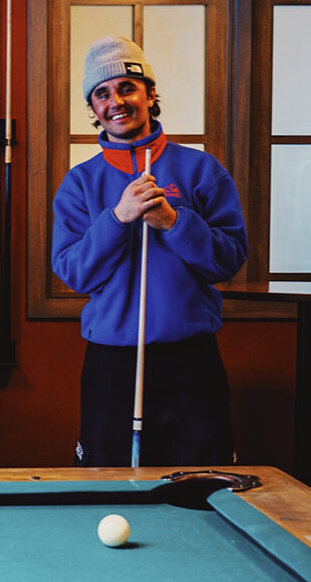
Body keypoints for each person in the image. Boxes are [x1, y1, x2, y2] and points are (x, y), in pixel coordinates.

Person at [51, 36, 248, 467]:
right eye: (103, 94)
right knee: (109, 479)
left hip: (190, 357)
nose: (116, 102)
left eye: (127, 88)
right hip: (113, 359)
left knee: (200, 480)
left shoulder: (201, 170)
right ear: (93, 107)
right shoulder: (79, 183)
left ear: (150, 95)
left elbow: (229, 259)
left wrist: (175, 223)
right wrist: (117, 218)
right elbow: (74, 272)